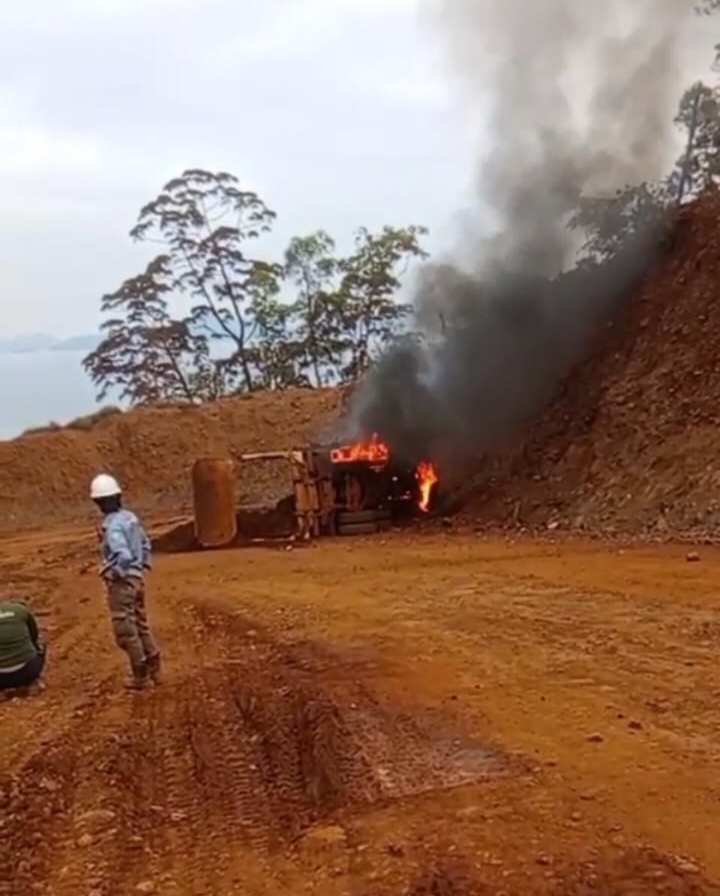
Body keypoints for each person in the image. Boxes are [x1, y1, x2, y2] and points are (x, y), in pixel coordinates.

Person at [90, 473, 161, 690]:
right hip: (137, 579)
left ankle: (141, 677)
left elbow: (123, 554)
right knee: (141, 624)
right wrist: (142, 565)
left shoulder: (113, 527)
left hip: (123, 583)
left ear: (98, 502)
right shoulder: (130, 518)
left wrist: (116, 573)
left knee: (126, 630)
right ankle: (155, 669)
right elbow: (145, 543)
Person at [0, 600, 46, 692]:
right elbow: (34, 636)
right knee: (41, 643)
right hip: (27, 671)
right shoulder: (22, 610)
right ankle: (33, 682)